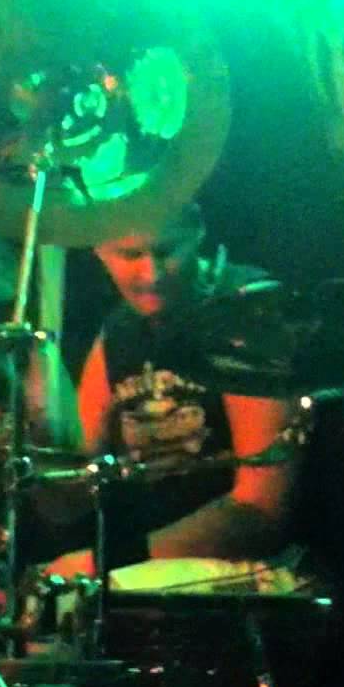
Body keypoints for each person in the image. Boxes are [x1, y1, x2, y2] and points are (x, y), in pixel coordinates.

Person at [33, 200, 305, 580]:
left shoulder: (246, 311)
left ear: (197, 232)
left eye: (166, 251)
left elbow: (259, 510)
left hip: (248, 571)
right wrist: (33, 441)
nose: (152, 274)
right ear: (99, 250)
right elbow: (79, 491)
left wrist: (110, 561)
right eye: (131, 255)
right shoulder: (118, 332)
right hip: (145, 563)